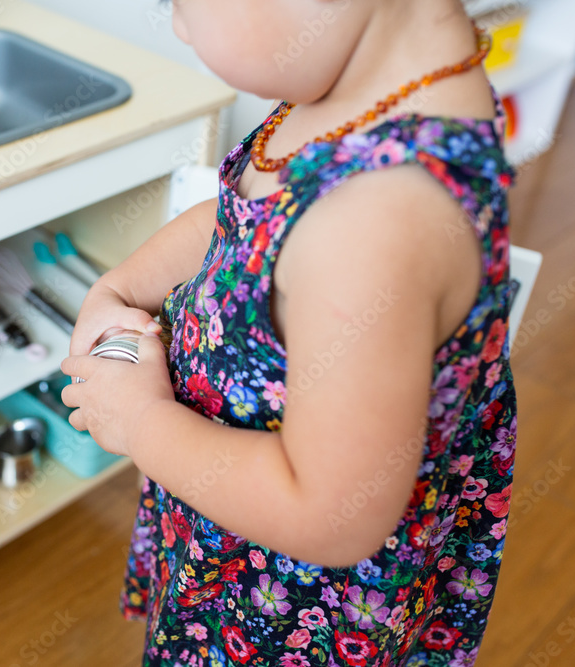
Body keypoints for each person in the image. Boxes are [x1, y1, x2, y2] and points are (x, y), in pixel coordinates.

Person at [61, 0, 515, 665]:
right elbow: (244, 217)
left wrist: (139, 421)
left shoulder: (374, 223)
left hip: (287, 608)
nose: (179, 26)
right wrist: (119, 287)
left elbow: (329, 513)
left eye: (180, 4)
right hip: (226, 515)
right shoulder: (370, 81)